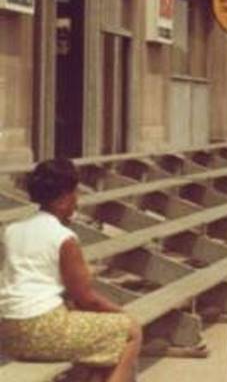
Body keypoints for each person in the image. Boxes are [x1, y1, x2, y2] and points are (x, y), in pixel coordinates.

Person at [0, 159, 142, 382]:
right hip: (42, 329)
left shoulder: (13, 230)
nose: (77, 200)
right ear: (63, 199)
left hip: (9, 331)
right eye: (75, 193)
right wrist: (123, 314)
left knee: (98, 341)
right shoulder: (64, 238)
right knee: (130, 332)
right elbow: (86, 299)